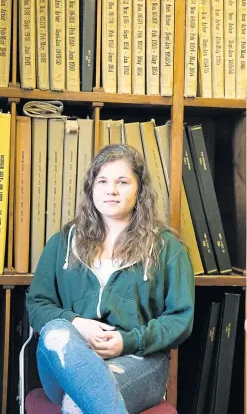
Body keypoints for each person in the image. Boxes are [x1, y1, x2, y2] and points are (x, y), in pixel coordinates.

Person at [26, 144, 195, 414]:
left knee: (78, 403)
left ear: (140, 189)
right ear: (91, 187)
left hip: (140, 362)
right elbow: (37, 305)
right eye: (102, 181)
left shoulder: (166, 248)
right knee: (56, 333)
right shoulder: (63, 243)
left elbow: (180, 320)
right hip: (66, 358)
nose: (111, 190)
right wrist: (78, 325)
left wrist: (127, 342)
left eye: (122, 182)